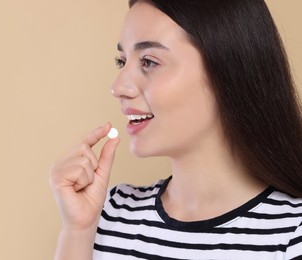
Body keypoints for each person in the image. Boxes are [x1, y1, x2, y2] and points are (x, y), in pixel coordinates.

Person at [49, 0, 302, 259]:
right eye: (121, 61)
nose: (118, 87)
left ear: (228, 70)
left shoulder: (293, 234)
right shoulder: (109, 212)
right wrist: (77, 232)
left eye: (148, 61)